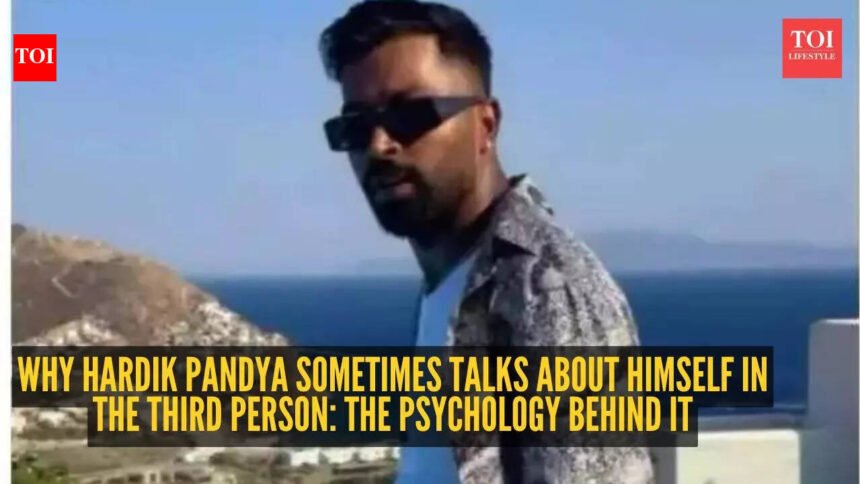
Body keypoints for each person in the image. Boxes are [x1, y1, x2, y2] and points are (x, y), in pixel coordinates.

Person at [318, 1, 654, 482]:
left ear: (486, 124)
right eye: (355, 127)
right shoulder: (452, 281)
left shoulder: (546, 288)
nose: (378, 145)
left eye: (411, 116)